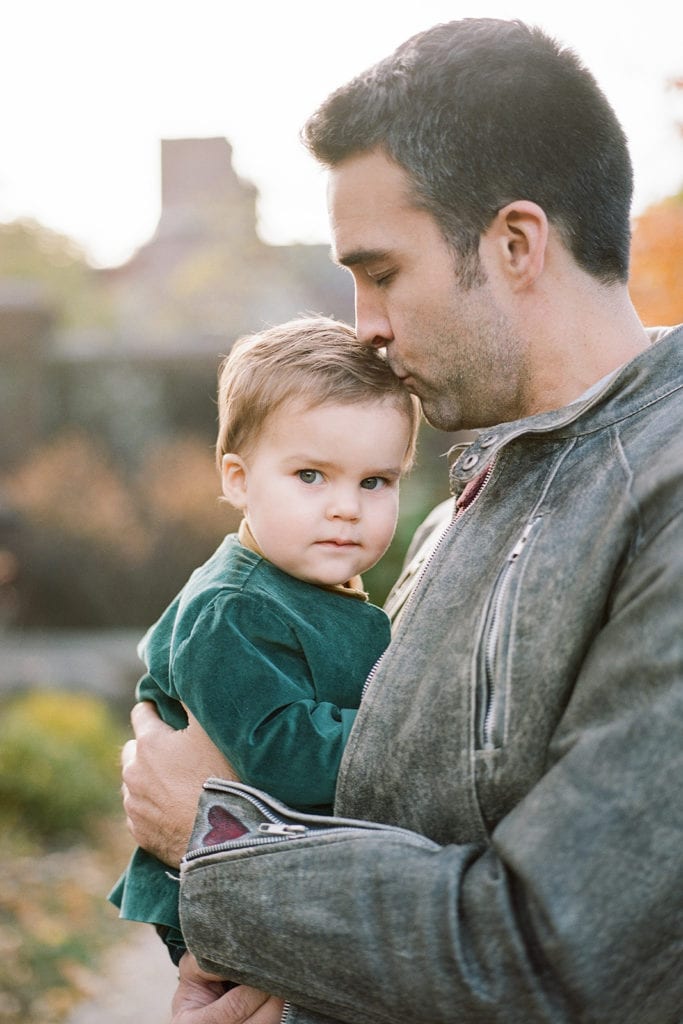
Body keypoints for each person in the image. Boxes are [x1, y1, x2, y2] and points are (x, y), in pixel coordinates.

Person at [121, 18, 683, 1024]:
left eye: (379, 271)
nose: (364, 324)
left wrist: (213, 844)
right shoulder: (461, 505)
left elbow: (554, 959)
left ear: (514, 243)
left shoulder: (664, 495)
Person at [109, 315, 420, 965]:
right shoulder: (231, 610)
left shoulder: (312, 589)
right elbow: (280, 751)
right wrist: (420, 736)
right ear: (238, 480)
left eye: (374, 481)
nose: (345, 506)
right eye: (310, 475)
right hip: (217, 907)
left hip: (291, 873)